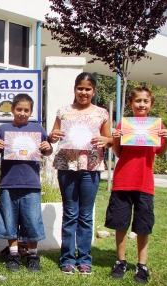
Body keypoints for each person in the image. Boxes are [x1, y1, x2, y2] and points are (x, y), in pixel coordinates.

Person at [105, 86, 167, 284]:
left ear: (150, 104)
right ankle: (121, 261)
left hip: (144, 183)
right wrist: (116, 139)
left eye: (145, 101)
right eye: (138, 101)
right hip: (123, 181)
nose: (141, 104)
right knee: (120, 224)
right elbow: (118, 153)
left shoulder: (156, 126)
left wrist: (166, 140)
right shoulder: (124, 124)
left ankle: (142, 265)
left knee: (143, 226)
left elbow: (159, 153)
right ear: (131, 104)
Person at [49, 72, 112, 275]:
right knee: (70, 213)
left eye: (88, 89)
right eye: (80, 88)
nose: (83, 92)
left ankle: (84, 259)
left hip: (91, 167)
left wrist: (104, 140)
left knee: (85, 215)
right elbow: (53, 136)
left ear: (93, 91)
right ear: (74, 89)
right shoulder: (63, 111)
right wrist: (53, 135)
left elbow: (109, 139)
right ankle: (67, 258)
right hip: (67, 166)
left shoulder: (102, 113)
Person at [0, 93, 53, 272]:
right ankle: (13, 254)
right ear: (12, 109)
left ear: (31, 111)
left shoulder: (38, 129)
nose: (22, 113)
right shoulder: (3, 129)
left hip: (31, 183)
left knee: (32, 219)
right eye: (19, 109)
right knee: (9, 219)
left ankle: (33, 255)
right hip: (8, 182)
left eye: (26, 110)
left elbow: (47, 152)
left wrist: (48, 148)